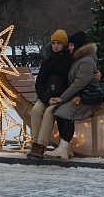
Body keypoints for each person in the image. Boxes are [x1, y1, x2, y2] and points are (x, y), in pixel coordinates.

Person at [44, 31, 101, 161]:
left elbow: (79, 84)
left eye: (71, 45)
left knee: (66, 112)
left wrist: (62, 98)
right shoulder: (77, 59)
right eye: (69, 45)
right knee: (59, 111)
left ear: (78, 46)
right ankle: (65, 148)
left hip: (88, 98)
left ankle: (63, 149)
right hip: (79, 97)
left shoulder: (85, 61)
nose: (69, 48)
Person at [27, 30, 71, 159]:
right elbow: (39, 83)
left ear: (64, 45)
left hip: (62, 98)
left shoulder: (69, 60)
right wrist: (46, 98)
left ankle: (41, 146)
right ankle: (34, 143)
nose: (56, 46)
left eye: (59, 43)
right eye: (54, 43)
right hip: (46, 95)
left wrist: (60, 98)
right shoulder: (47, 61)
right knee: (36, 110)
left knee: (49, 112)